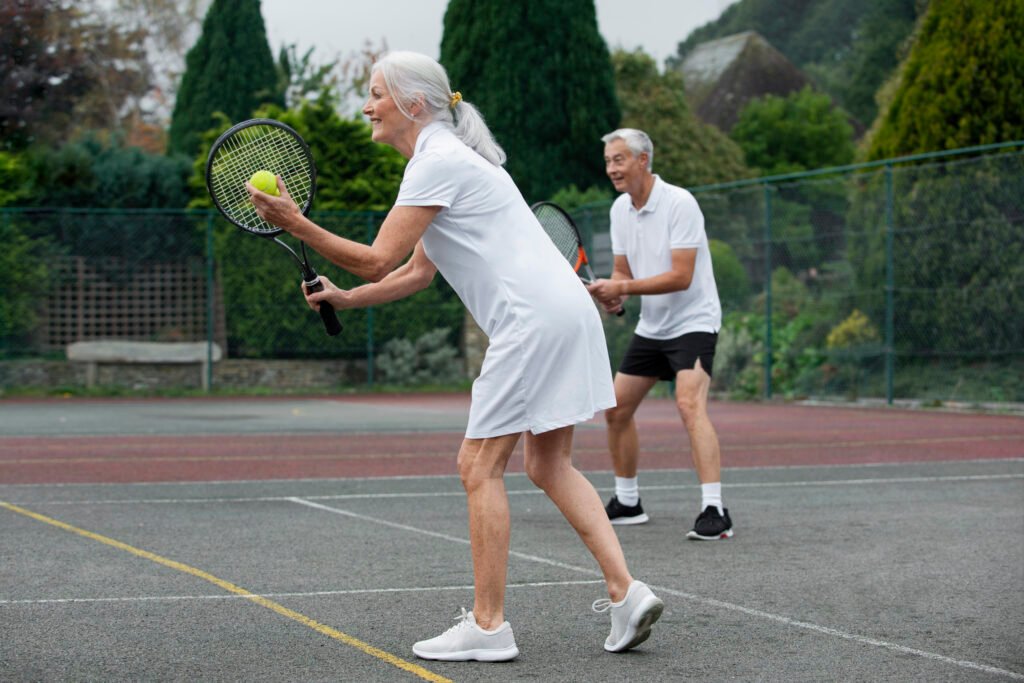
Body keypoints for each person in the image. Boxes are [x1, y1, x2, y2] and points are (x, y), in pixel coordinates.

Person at [245, 52, 662, 662]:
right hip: (567, 315)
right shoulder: (453, 160)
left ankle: (489, 628)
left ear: (414, 103)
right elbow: (416, 271)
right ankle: (627, 593)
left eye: (377, 93)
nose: (366, 106)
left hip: (531, 323)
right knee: (549, 464)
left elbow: (378, 259)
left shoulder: (436, 161)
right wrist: (347, 298)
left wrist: (295, 222)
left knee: (477, 467)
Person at [585, 128, 733, 541]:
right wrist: (616, 293)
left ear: (643, 160)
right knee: (616, 410)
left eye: (619, 159)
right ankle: (628, 501)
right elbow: (622, 270)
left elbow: (681, 276)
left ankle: (715, 509)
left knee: (689, 404)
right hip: (652, 326)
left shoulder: (680, 203)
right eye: (608, 161)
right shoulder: (620, 209)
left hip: (694, 322)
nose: (611, 168)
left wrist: (624, 287)